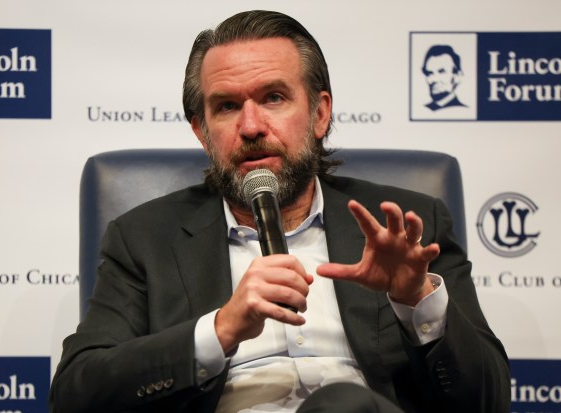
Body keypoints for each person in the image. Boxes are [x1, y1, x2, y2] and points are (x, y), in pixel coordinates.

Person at [49, 10, 510, 413]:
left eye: (273, 98)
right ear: (202, 131)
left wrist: (417, 300)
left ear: (320, 113)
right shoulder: (144, 238)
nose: (251, 127)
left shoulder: (408, 223)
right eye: (227, 106)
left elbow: (488, 401)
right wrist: (221, 328)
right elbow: (75, 394)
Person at [422, 45, 467, 111]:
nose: (434, 79)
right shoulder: (423, 110)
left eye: (441, 72)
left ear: (457, 76)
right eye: (429, 73)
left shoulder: (464, 111)